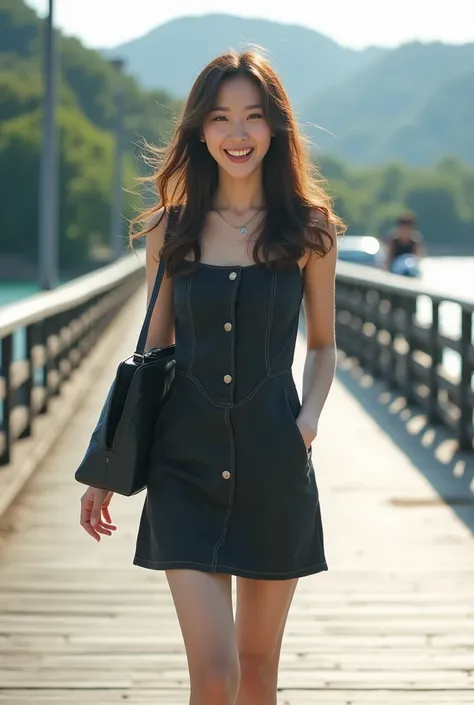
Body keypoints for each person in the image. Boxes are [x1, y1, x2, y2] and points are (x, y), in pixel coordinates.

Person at [79, 50, 344, 705]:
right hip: (184, 468)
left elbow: (323, 345)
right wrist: (105, 466)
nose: (237, 133)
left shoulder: (309, 231)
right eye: (221, 117)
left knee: (257, 674)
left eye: (253, 117)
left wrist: (308, 419)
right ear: (199, 129)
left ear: (275, 128)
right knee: (216, 674)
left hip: (275, 463)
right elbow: (153, 351)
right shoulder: (172, 230)